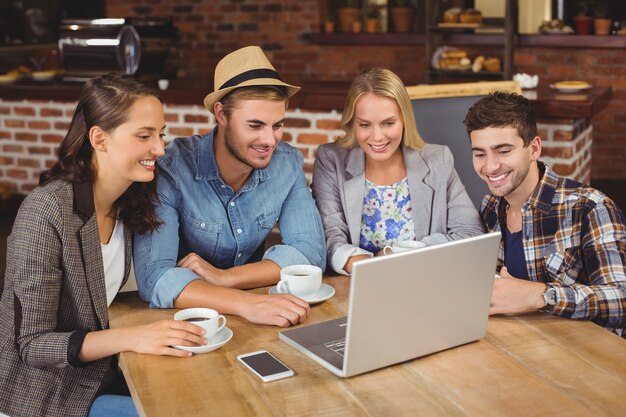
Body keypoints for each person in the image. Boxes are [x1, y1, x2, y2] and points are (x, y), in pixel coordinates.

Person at [0, 74, 209, 417]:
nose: (159, 148)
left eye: (161, 134)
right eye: (144, 136)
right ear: (99, 138)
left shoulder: (133, 200)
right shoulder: (46, 211)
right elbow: (32, 345)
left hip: (104, 375)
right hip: (44, 396)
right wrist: (133, 336)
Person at [133, 46, 325, 327]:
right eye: (255, 125)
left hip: (262, 315)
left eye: (277, 125)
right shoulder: (173, 168)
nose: (270, 140)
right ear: (221, 115)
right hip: (190, 322)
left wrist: (227, 277)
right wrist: (248, 304)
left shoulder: (287, 164)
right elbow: (155, 276)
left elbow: (310, 252)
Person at [464, 91, 626, 337]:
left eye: (503, 151)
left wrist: (540, 295)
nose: (490, 166)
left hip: (586, 359)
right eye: (479, 154)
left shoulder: (590, 207)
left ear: (534, 148)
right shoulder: (489, 207)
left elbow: (622, 299)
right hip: (522, 350)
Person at [311, 67, 485, 275]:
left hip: (424, 283)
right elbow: (330, 238)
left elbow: (470, 233)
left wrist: (394, 254)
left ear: (404, 119)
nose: (377, 137)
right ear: (352, 123)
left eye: (388, 123)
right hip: (355, 287)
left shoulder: (438, 160)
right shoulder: (331, 159)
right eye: (365, 125)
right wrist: (369, 265)